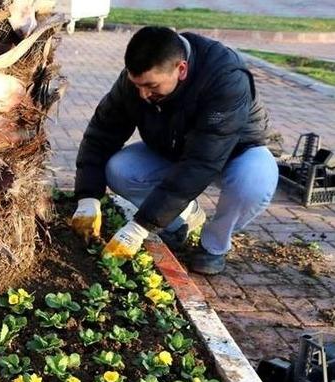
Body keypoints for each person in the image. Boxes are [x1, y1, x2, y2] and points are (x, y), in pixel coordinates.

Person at [70, 26, 278, 275]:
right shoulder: (136, 83)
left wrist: (141, 226)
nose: (143, 95)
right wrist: (88, 197)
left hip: (237, 152)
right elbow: (101, 134)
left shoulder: (226, 78)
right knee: (119, 169)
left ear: (181, 69)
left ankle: (214, 245)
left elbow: (201, 162)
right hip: (176, 149)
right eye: (137, 84)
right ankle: (182, 221)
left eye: (151, 86)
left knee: (253, 184)